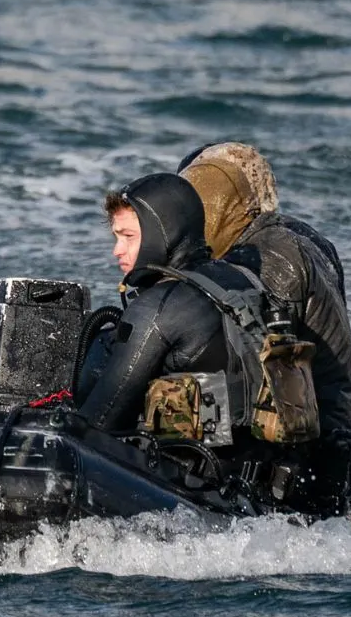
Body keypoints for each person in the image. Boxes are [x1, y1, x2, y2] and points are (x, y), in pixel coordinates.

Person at [178, 143, 351, 515]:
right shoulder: (306, 239)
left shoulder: (263, 261)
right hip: (338, 445)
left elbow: (250, 383)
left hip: (302, 466)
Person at [75, 173, 265, 454]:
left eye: (128, 237)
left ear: (164, 233)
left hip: (201, 472)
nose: (117, 250)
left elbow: (96, 427)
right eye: (116, 237)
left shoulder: (158, 306)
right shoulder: (243, 279)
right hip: (264, 463)